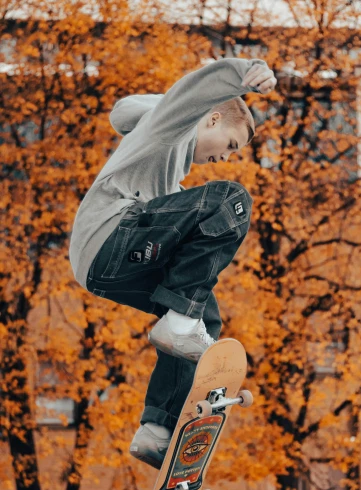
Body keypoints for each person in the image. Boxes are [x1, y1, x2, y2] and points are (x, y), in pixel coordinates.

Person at [68, 58, 277, 469]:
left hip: (102, 267)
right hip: (109, 234)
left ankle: (156, 431)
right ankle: (178, 325)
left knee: (205, 319)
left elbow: (123, 111)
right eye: (231, 145)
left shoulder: (163, 167)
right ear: (212, 119)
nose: (225, 159)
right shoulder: (171, 130)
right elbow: (192, 93)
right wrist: (244, 73)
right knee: (231, 200)